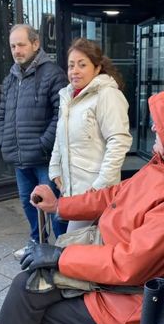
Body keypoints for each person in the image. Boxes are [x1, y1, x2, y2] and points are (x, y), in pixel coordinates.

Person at [0, 91, 164, 324]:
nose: (154, 127)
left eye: (160, 121)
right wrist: (59, 206)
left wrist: (60, 256)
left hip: (120, 303)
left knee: (28, 302)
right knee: (28, 287)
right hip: (103, 267)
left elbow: (128, 264)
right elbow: (112, 195)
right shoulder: (157, 165)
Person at [0, 24, 69, 258]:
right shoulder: (11, 77)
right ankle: (37, 241)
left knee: (52, 205)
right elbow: (2, 112)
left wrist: (43, 143)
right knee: (28, 203)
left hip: (43, 158)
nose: (17, 50)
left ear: (35, 44)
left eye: (21, 45)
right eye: (13, 46)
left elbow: (61, 114)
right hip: (19, 156)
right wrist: (3, 140)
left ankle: (61, 249)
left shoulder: (53, 73)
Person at [49, 38, 132, 232]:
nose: (74, 71)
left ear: (97, 68)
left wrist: (100, 185)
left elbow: (119, 140)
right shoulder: (68, 96)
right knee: (81, 247)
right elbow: (60, 137)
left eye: (82, 64)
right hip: (73, 190)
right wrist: (54, 170)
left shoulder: (107, 95)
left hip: (95, 192)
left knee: (75, 247)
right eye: (71, 65)